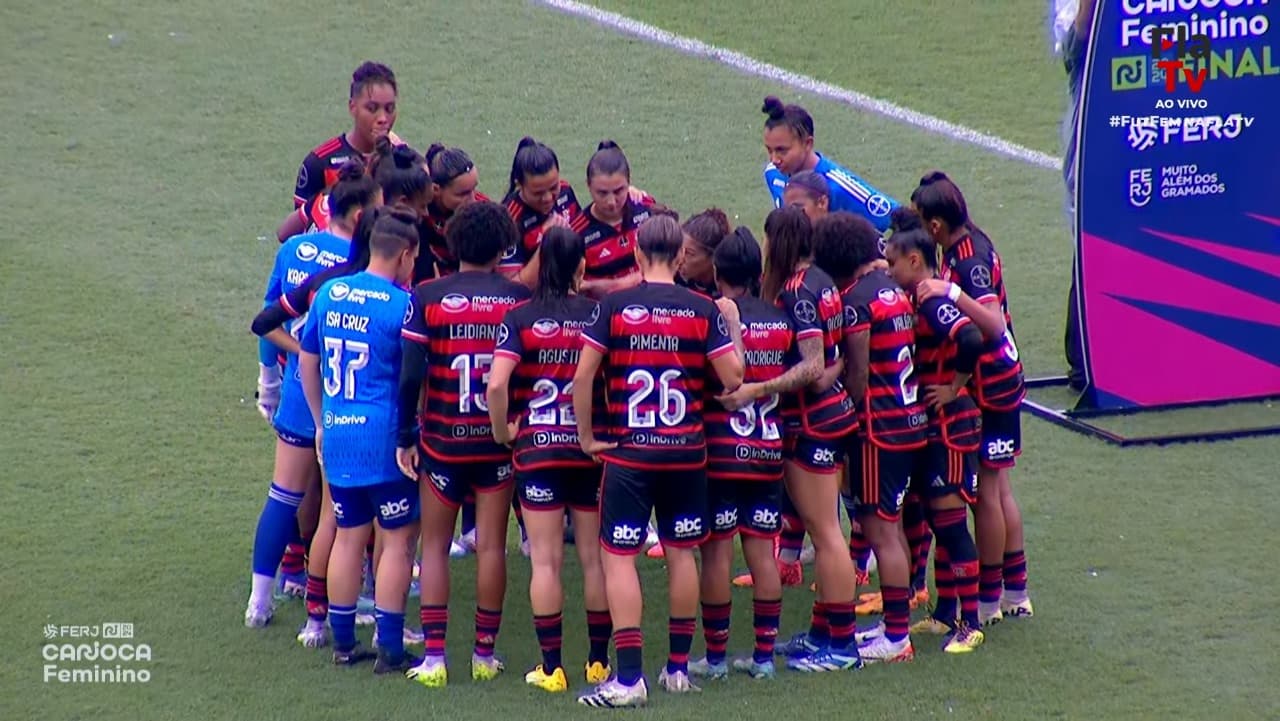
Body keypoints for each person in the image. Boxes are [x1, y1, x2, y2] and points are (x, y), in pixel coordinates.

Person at [572, 215, 744, 707]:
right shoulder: (702, 308)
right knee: (681, 554)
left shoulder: (615, 306)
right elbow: (733, 378)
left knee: (619, 557)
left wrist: (587, 437)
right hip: (688, 452)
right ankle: (676, 668)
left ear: (637, 253)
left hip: (631, 454)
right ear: (683, 256)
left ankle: (628, 680)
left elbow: (583, 378)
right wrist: (729, 319)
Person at [398, 201, 531, 687]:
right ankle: (483, 656)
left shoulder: (427, 295)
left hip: (441, 442)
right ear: (502, 247)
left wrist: (404, 436)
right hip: (496, 444)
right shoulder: (518, 298)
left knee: (433, 546)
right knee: (492, 547)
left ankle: (434, 659)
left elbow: (411, 374)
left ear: (453, 245)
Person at [244, 161, 380, 630]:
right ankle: (335, 608)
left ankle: (259, 601)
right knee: (336, 510)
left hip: (299, 394)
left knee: (283, 495)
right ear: (361, 216)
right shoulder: (360, 272)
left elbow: (267, 319)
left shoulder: (295, 249)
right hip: (345, 398)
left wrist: (276, 374)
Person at [485, 227, 610, 693]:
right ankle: (598, 663)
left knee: (545, 562)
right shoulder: (598, 314)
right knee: (595, 560)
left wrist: (504, 432)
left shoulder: (518, 317)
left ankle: (552, 668)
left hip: (536, 451)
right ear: (582, 266)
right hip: (587, 449)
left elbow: (497, 385)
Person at [297, 210, 421, 671]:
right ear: (406, 255)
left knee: (348, 536)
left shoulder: (329, 293)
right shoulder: (401, 305)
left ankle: (344, 644)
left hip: (339, 432)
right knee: (395, 541)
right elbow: (412, 377)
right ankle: (390, 648)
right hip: (385, 439)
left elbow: (308, 362)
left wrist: (321, 422)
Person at [912, 172, 1033, 625]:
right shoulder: (970, 241)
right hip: (1003, 377)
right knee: (998, 488)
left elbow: (994, 324)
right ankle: (1014, 592)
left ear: (937, 226)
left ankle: (989, 597)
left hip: (994, 384)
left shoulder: (967, 263)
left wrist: (952, 292)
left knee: (987, 492)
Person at [688, 227, 807, 682]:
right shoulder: (781, 318)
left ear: (718, 273)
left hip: (720, 457)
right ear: (757, 272)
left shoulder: (713, 318)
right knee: (761, 554)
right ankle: (761, 659)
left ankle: (715, 660)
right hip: (766, 454)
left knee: (717, 557)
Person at [814, 211, 928, 663]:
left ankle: (897, 637)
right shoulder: (893, 293)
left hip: (879, 429)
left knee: (882, 532)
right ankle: (892, 625)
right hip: (906, 420)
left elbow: (858, 374)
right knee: (891, 528)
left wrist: (843, 405)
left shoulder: (858, 299)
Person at [755, 205, 862, 673]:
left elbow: (815, 368)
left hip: (815, 424)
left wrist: (760, 388)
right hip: (834, 415)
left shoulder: (797, 292)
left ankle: (841, 648)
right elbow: (831, 361)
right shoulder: (821, 278)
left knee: (827, 535)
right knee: (828, 529)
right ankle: (823, 632)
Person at [883, 209, 986, 654]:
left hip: (951, 426)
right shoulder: (917, 299)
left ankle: (972, 622)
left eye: (892, 262)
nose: (888, 270)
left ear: (913, 261)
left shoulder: (933, 302)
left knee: (951, 525)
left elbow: (971, 339)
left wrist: (953, 388)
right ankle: (946, 614)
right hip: (932, 427)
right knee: (933, 519)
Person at [761, 96, 897, 233]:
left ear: (807, 143)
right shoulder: (772, 173)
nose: (774, 159)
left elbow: (903, 220)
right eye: (769, 150)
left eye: (781, 150)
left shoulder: (839, 186)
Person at [292, 61, 400, 213]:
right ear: (352, 107)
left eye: (390, 108)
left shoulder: (402, 160)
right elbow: (300, 231)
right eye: (372, 108)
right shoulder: (320, 163)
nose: (383, 118)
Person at [569, 141, 664, 299]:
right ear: (588, 186)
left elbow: (667, 266)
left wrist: (599, 286)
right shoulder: (576, 233)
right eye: (602, 193)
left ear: (629, 182)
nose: (611, 202)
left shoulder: (647, 209)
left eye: (619, 191)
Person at [500, 137, 580, 284]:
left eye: (554, 187)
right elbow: (513, 287)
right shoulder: (508, 219)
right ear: (520, 185)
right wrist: (547, 242)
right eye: (538, 193)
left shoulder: (566, 192)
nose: (548, 198)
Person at [420, 144, 489, 279]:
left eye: (474, 189)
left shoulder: (484, 211)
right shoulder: (419, 211)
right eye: (463, 194)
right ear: (436, 189)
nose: (473, 200)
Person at [675, 208, 731, 298]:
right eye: (680, 250)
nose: (680, 259)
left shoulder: (728, 290)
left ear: (713, 257)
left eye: (689, 253)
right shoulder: (674, 278)